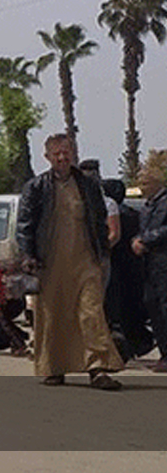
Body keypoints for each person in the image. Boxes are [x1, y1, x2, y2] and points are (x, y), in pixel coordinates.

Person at [18, 134, 123, 389]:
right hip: (50, 261)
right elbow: (25, 225)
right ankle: (54, 367)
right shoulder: (37, 187)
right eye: (57, 154)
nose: (63, 158)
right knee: (53, 315)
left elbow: (99, 221)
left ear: (73, 153)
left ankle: (98, 368)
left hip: (86, 259)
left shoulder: (87, 185)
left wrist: (102, 254)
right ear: (48, 157)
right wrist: (28, 255)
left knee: (91, 313)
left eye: (66, 152)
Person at [103, 177, 153, 360]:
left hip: (115, 269)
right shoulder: (135, 214)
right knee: (131, 311)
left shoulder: (109, 214)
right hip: (135, 269)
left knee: (115, 312)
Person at [130, 167, 167, 373]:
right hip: (149, 265)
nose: (142, 188)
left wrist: (147, 239)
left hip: (163, 263)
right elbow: (141, 230)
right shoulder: (147, 206)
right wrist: (136, 240)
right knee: (152, 306)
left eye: (144, 183)